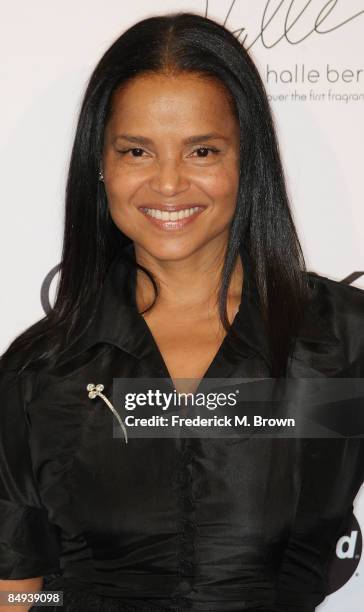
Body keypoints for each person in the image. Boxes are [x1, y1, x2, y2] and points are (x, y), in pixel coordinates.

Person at [0, 11, 363, 612]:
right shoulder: (40, 372)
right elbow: (16, 594)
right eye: (137, 150)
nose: (168, 184)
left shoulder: (343, 342)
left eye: (201, 150)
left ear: (248, 161)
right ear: (101, 164)